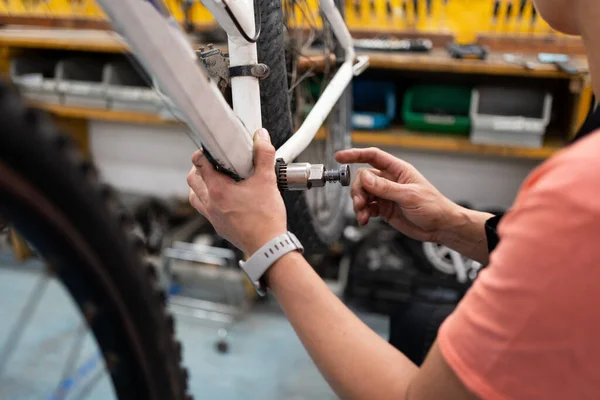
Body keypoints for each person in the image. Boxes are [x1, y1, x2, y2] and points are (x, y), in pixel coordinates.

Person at [187, 0, 600, 398]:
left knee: (419, 329)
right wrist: (453, 223)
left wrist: (267, 246)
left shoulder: (580, 190)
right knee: (415, 319)